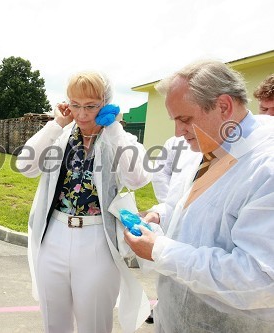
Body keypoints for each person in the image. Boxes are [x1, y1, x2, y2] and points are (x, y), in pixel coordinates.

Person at [125, 60, 274, 332]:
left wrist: (159, 250)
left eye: (185, 119)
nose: (178, 133)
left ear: (224, 106)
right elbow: (188, 209)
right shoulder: (209, 146)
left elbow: (261, 279)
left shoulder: (266, 167)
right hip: (174, 319)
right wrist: (159, 215)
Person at [16, 71, 152, 333]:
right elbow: (25, 165)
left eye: (91, 106)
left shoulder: (117, 138)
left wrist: (112, 127)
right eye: (75, 105)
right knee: (54, 323)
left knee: (94, 324)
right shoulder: (60, 135)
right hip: (53, 234)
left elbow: (138, 178)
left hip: (97, 238)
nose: (81, 114)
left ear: (106, 104)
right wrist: (56, 123)